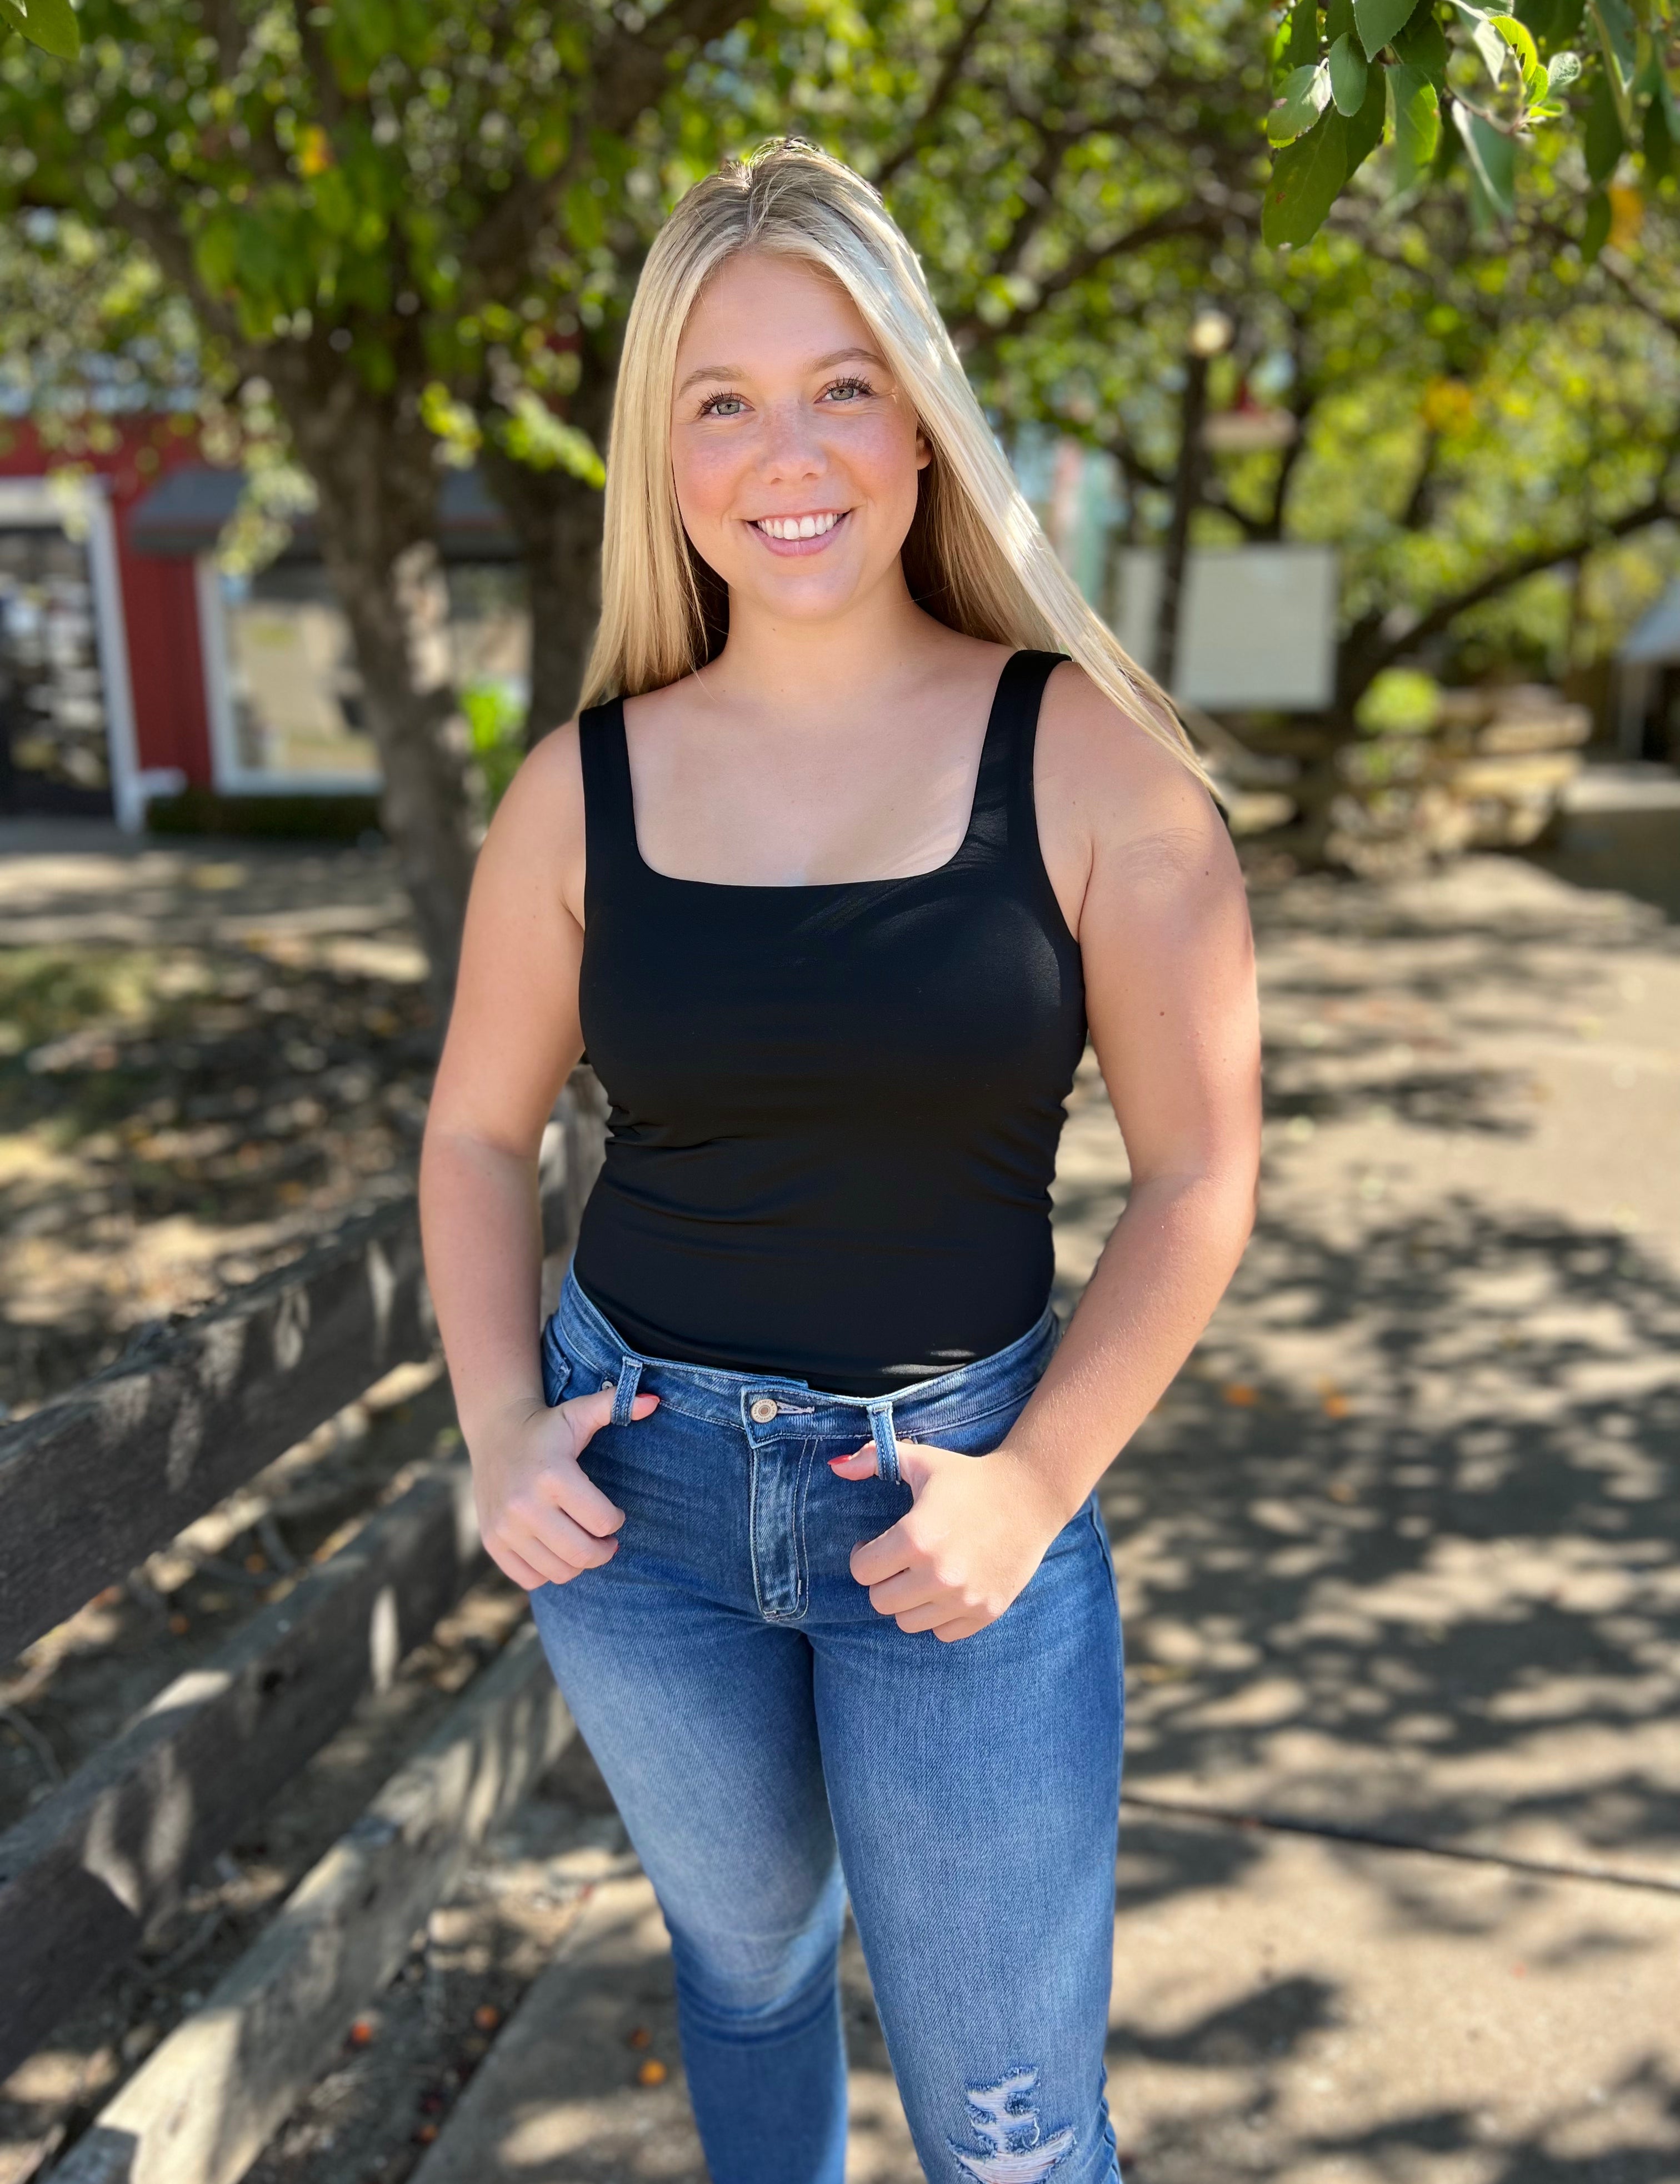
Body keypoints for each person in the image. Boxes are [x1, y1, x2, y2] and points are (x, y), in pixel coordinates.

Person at [418, 138, 1261, 2184]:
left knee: (1009, 2126)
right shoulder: (580, 788)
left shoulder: (1087, 764)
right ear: (664, 455)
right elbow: (471, 1128)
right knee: (748, 1962)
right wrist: (499, 1425)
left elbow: (1202, 1170)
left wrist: (1038, 1488)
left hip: (954, 1516)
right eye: (722, 399)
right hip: (639, 1515)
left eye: (842, 384)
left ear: (921, 423)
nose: (785, 450)